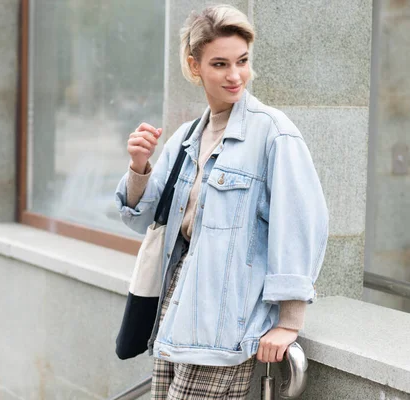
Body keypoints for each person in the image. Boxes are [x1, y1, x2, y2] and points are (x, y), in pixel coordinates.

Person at [115, 4, 328, 399]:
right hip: (174, 308)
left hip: (225, 318)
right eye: (220, 64)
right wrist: (138, 165)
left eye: (242, 61)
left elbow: (300, 226)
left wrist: (289, 322)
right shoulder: (184, 138)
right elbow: (140, 218)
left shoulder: (274, 134)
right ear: (195, 67)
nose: (235, 76)